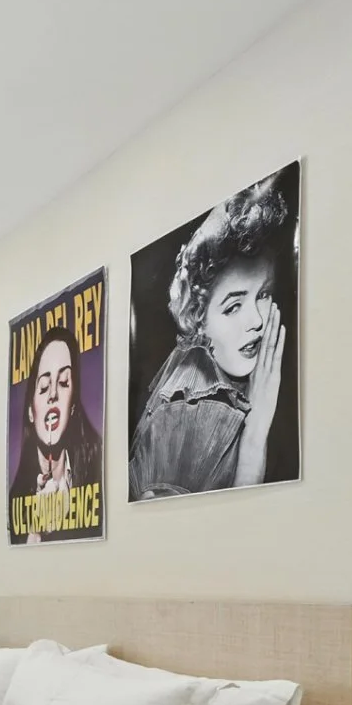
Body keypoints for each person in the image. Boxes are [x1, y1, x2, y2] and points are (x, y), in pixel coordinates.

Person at [130, 175, 291, 498]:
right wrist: (256, 431)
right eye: (233, 307)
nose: (257, 321)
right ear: (199, 321)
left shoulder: (243, 384)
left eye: (263, 294)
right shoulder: (188, 416)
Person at [9, 326, 103, 544]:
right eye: (43, 387)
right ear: (31, 411)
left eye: (63, 383)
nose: (53, 394)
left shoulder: (95, 471)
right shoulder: (15, 501)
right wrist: (35, 532)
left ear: (72, 407)